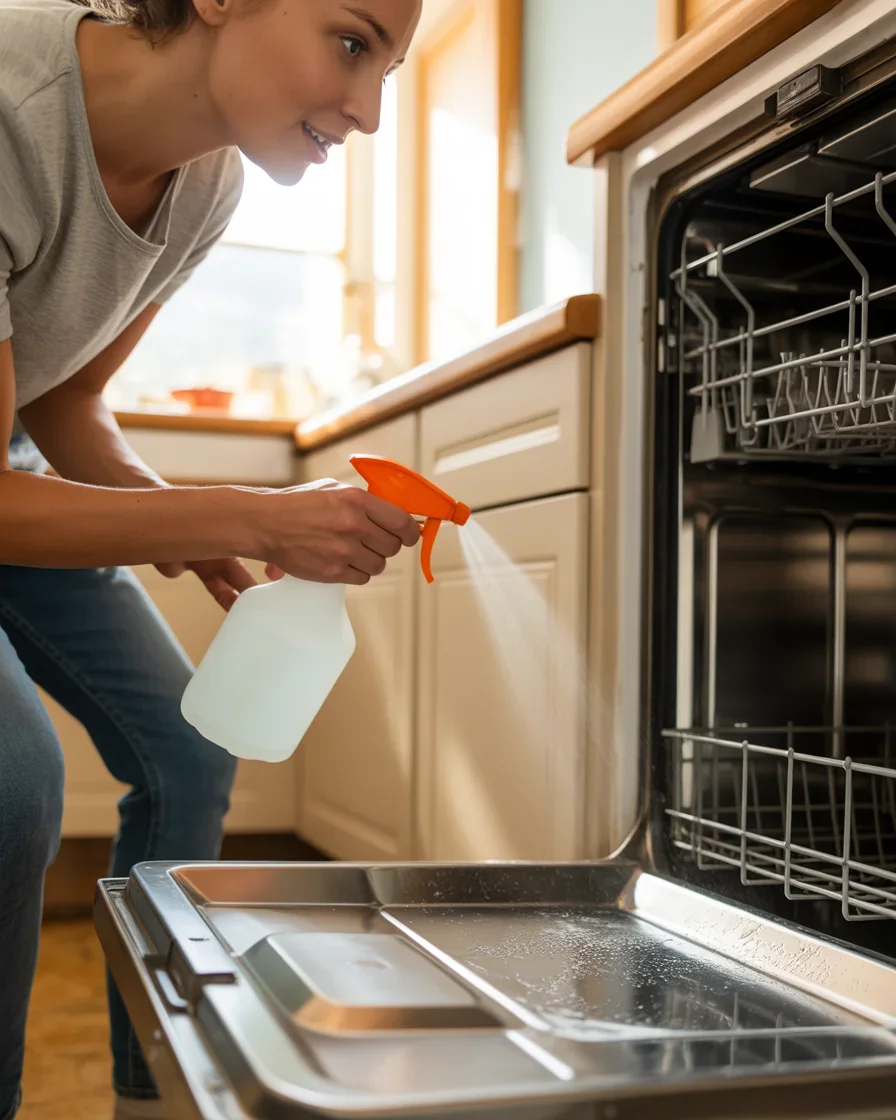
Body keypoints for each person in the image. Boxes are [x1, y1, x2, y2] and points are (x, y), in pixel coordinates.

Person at [0, 0, 422, 1115]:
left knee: (185, 751)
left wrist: (185, 523)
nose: (368, 109)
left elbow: (58, 397)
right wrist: (241, 515)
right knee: (11, 779)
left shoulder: (207, 183)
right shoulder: (8, 104)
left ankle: (157, 1096)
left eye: (389, 65)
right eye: (351, 40)